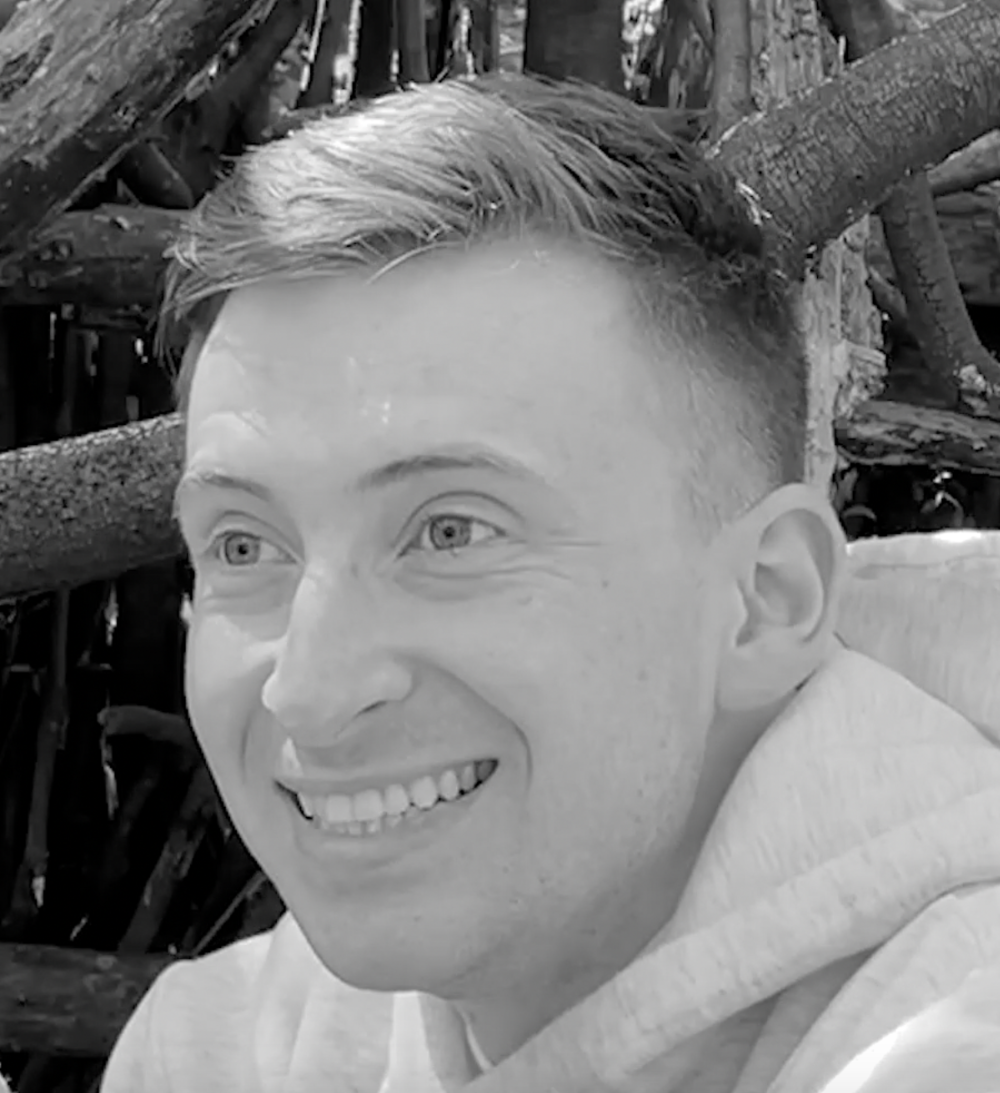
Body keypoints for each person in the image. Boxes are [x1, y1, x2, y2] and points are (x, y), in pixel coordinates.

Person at [101, 73, 1000, 1092]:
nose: (307, 689)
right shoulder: (216, 1054)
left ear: (766, 599)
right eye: (241, 545)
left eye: (450, 531)